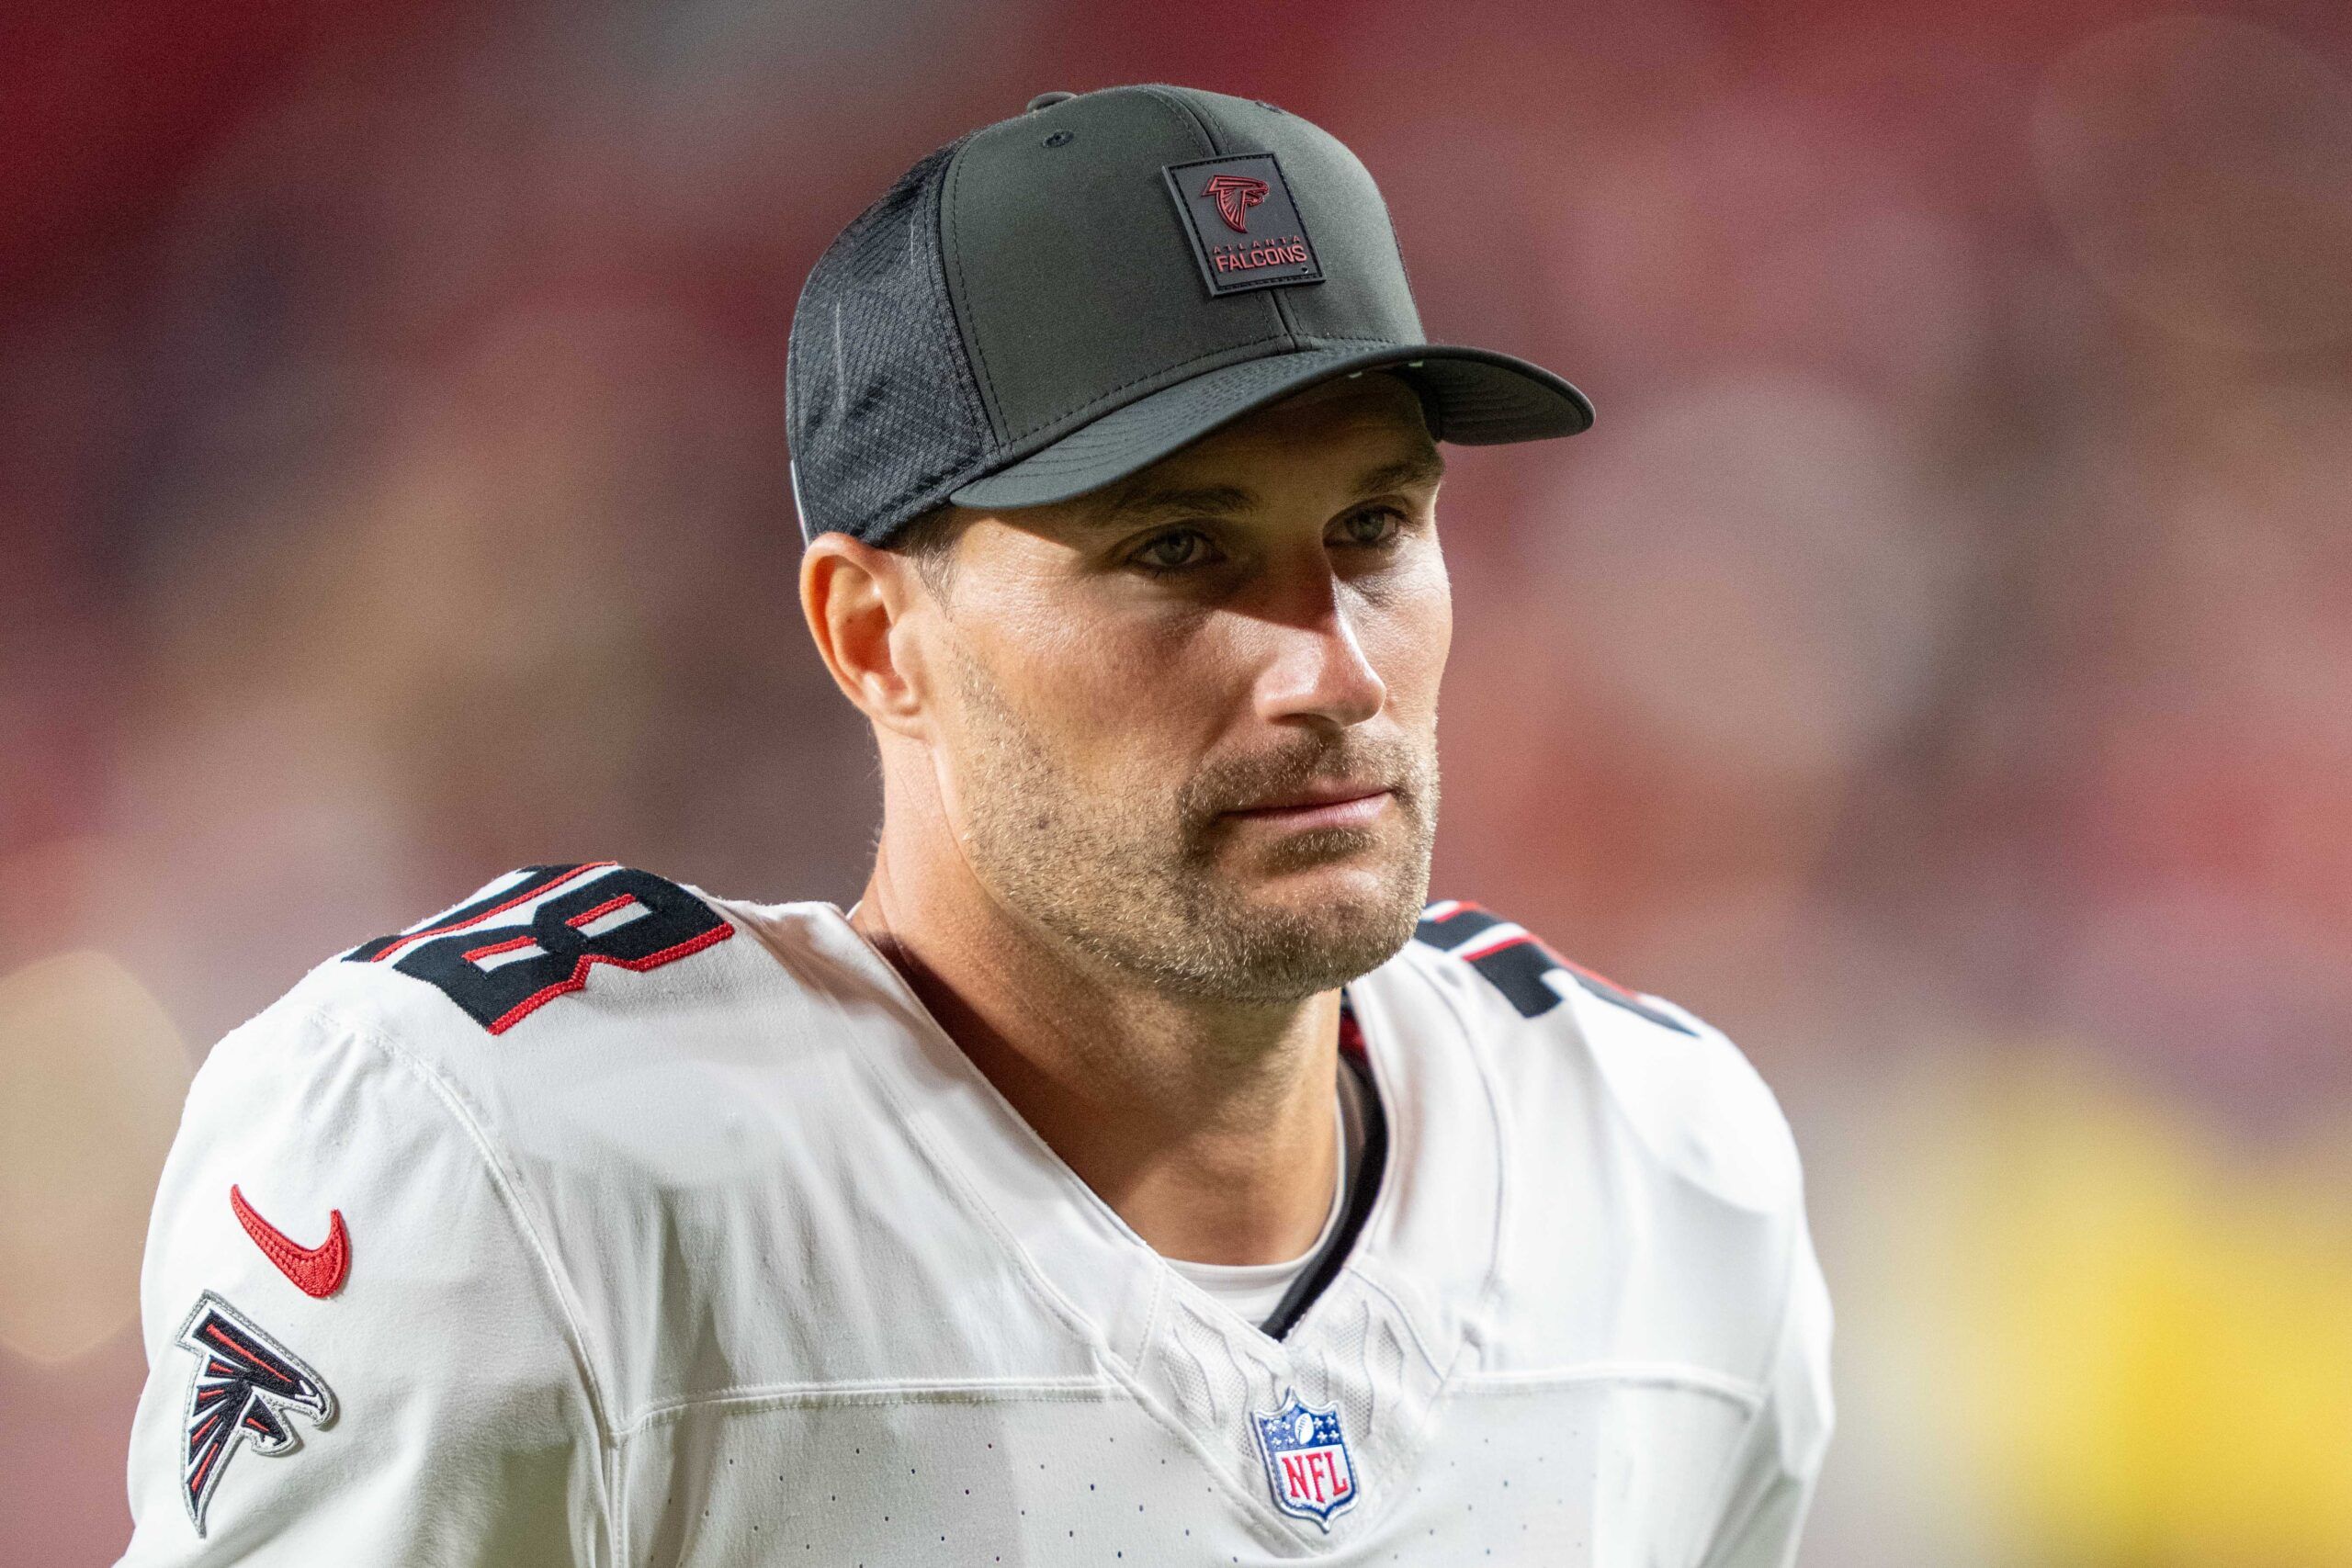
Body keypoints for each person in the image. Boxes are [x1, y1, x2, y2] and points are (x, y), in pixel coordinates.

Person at [117, 84, 1831, 1564]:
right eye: (1179, 548)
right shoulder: (516, 1176)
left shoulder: (1663, 1169)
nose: (1332, 668)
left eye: (1375, 528)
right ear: (878, 638)